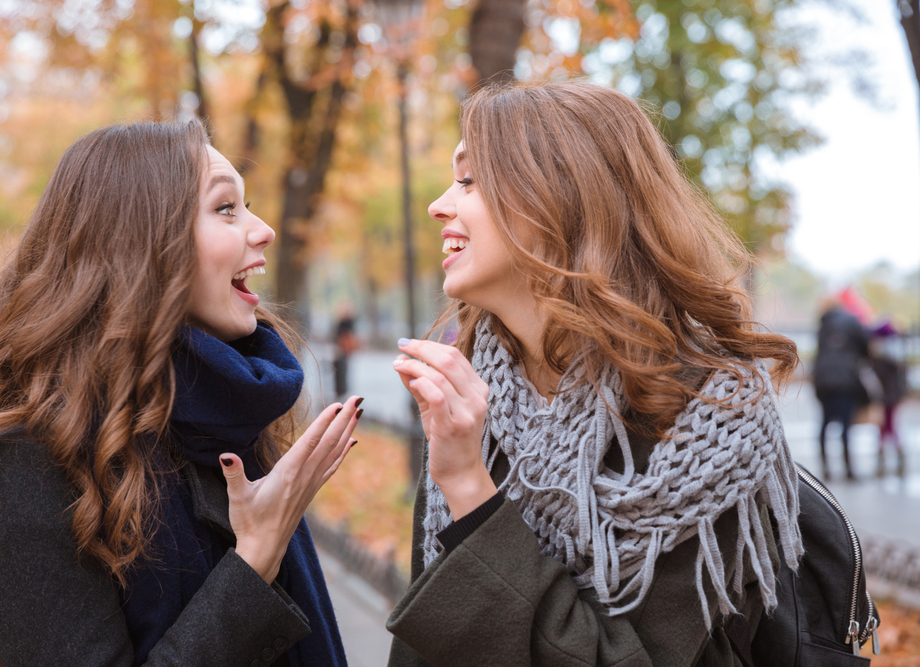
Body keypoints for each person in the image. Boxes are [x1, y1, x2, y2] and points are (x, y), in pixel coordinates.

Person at [387, 81, 803, 666]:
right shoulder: (477, 392)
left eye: (470, 179)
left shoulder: (706, 418)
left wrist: (471, 494)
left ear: (561, 197)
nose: (438, 204)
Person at [0, 121, 363, 667]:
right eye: (227, 208)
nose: (264, 229)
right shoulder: (24, 456)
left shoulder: (225, 418)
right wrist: (255, 560)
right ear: (144, 243)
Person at [813, 298, 871, 480]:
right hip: (846, 379)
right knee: (845, 426)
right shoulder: (852, 321)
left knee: (824, 424)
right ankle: (848, 470)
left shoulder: (823, 325)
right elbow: (865, 347)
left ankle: (826, 469)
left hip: (823, 379)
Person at [871, 321, 907, 477]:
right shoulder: (897, 354)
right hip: (893, 397)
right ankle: (895, 461)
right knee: (888, 428)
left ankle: (884, 464)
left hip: (884, 398)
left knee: (886, 429)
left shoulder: (881, 356)